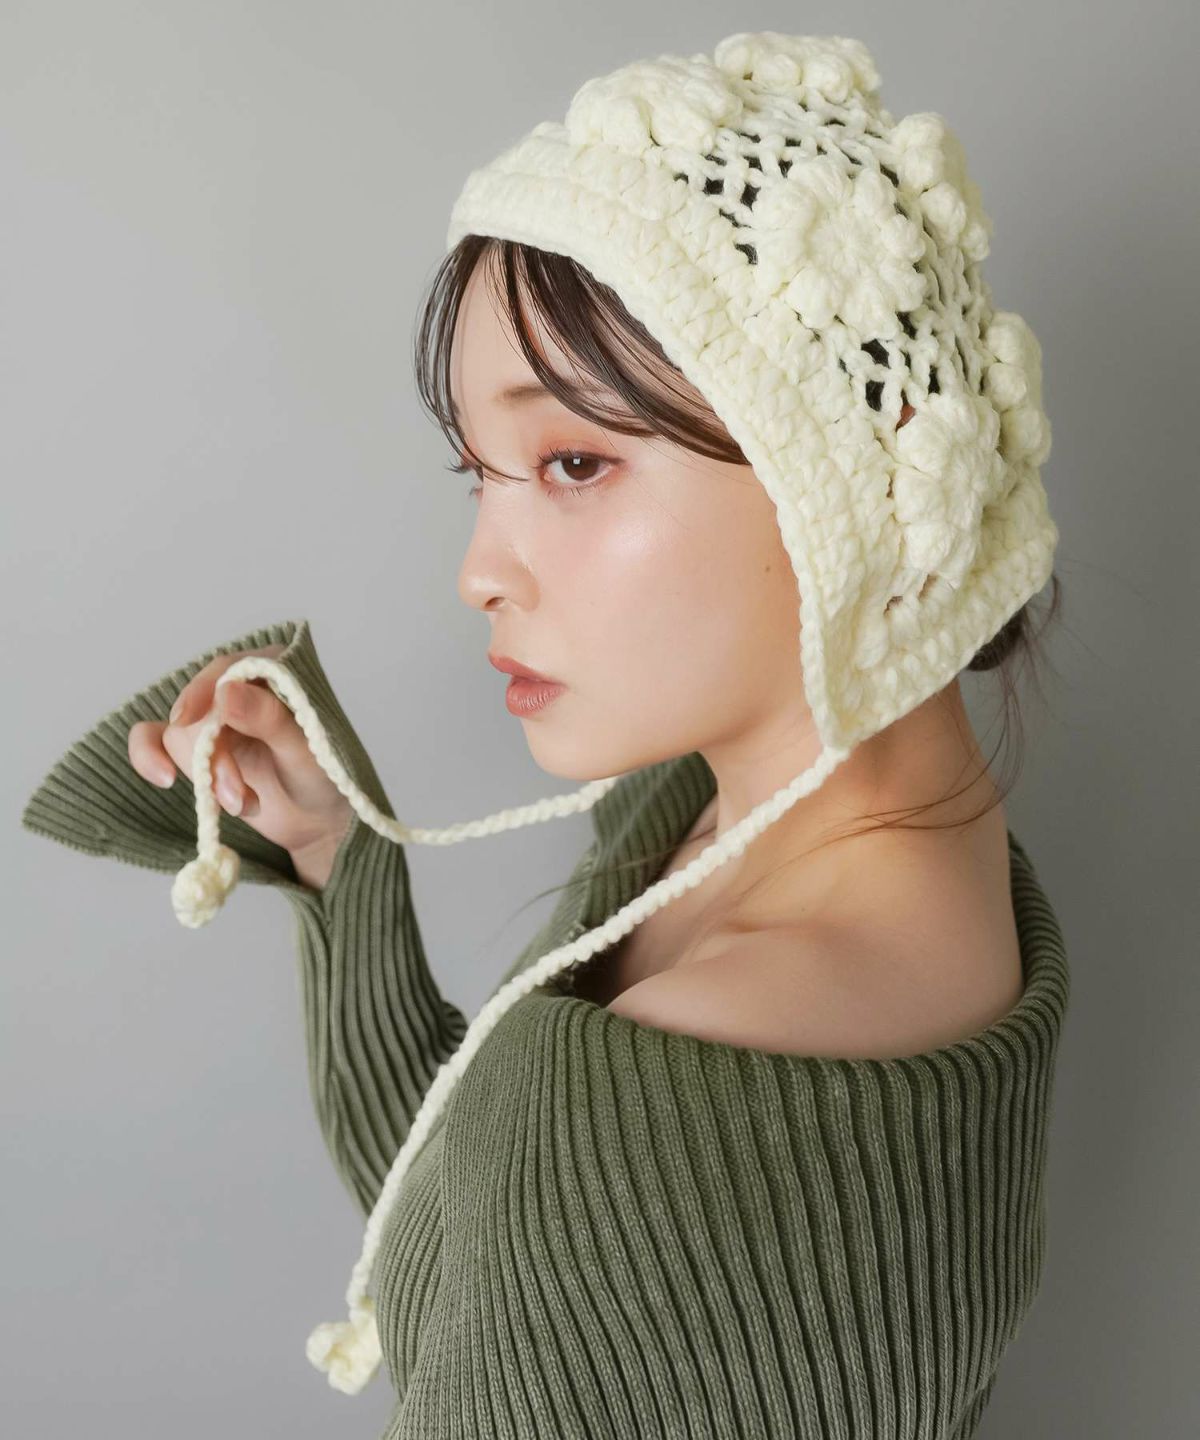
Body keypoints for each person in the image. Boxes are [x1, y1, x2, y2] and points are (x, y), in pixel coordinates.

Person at [20, 31, 1071, 1440]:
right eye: (480, 473)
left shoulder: (703, 1037)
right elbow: (499, 1247)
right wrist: (339, 861)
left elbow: (535, 1220)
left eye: (573, 462)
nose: (480, 572)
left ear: (853, 460)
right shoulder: (832, 846)